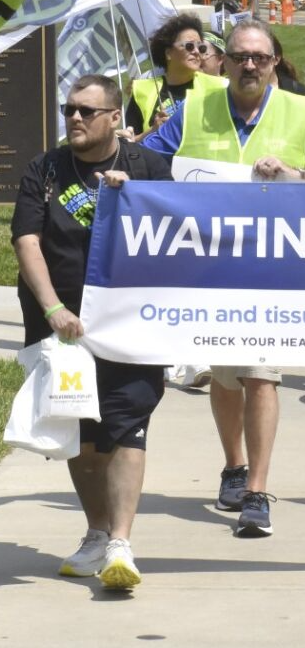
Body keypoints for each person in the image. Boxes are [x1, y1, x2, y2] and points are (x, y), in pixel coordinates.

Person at [143, 20, 305, 538]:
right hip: (208, 267)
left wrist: (294, 174)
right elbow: (147, 157)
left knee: (262, 373)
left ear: (275, 61)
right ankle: (233, 465)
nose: (250, 65)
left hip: (272, 269)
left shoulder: (297, 112)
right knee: (225, 376)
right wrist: (125, 170)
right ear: (224, 61)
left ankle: (257, 491)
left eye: (259, 57)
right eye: (239, 57)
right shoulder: (196, 108)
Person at [12, 74, 173, 590]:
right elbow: (27, 241)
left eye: (86, 111)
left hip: (129, 322)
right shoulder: (46, 169)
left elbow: (178, 234)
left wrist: (138, 199)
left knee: (126, 421)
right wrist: (54, 307)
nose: (74, 119)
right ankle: (97, 532)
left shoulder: (146, 168)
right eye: (69, 110)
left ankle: (121, 544)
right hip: (62, 325)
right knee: (80, 432)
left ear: (113, 118)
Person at [126, 14, 227, 140]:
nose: (196, 51)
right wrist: (153, 130)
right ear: (168, 53)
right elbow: (128, 143)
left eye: (201, 47)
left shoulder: (220, 87)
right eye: (189, 46)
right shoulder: (142, 90)